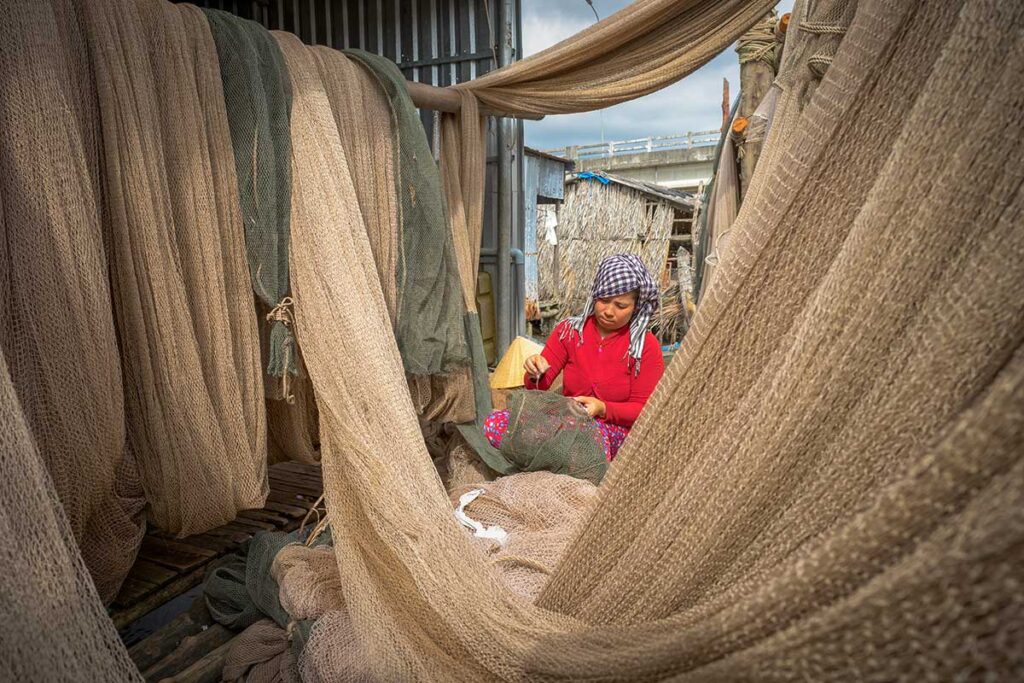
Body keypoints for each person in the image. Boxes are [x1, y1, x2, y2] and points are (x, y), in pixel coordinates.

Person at [483, 254, 665, 460]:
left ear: (636, 307)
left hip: (613, 431)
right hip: (567, 421)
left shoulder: (645, 346)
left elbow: (644, 410)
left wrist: (603, 408)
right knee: (495, 423)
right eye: (603, 300)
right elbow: (537, 388)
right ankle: (553, 456)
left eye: (621, 306)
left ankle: (554, 457)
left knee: (589, 442)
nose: (609, 311)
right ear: (595, 295)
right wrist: (535, 371)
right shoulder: (569, 331)